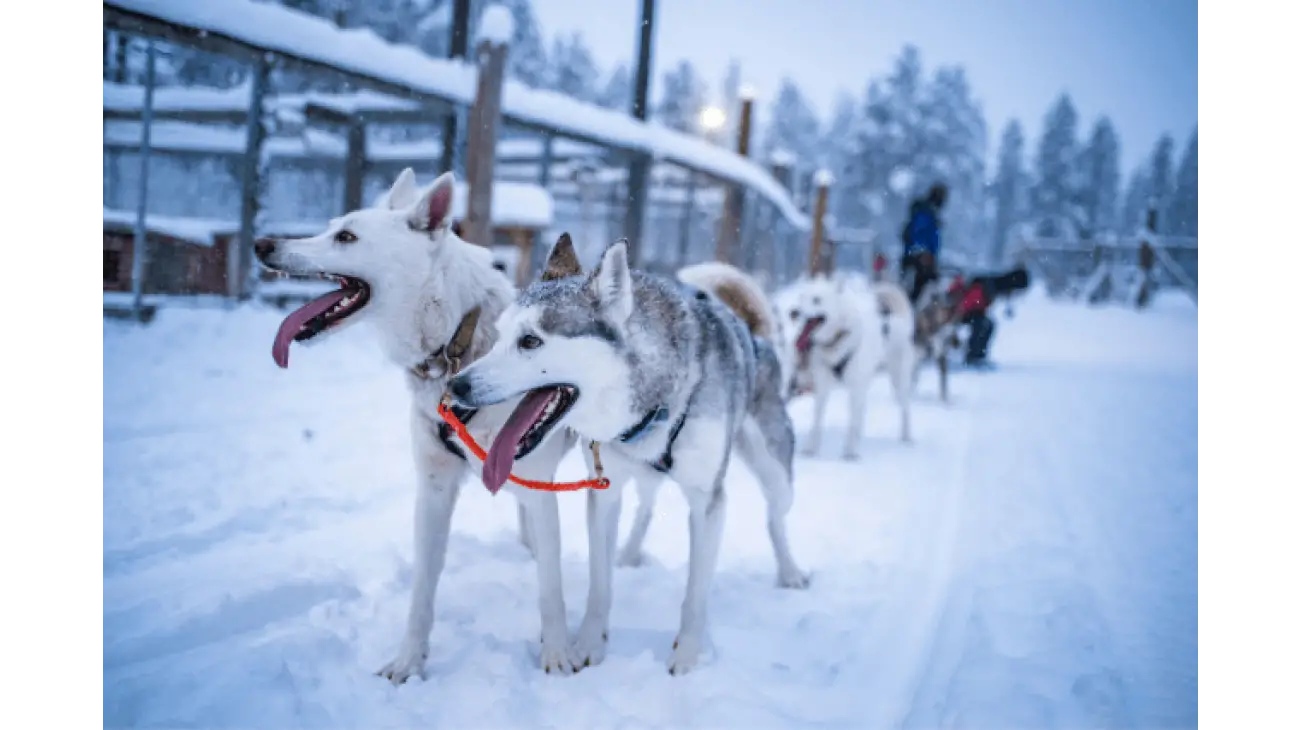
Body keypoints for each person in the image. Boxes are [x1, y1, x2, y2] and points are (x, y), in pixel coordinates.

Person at [899, 182, 948, 304]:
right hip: (917, 261)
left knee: (925, 289)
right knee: (914, 292)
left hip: (922, 261)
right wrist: (922, 253)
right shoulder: (925, 212)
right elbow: (917, 234)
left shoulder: (930, 213)